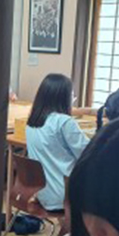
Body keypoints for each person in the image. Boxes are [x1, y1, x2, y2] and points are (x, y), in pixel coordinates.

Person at [25, 74, 90, 211]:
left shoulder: (32, 122)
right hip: (65, 195)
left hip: (41, 193)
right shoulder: (64, 122)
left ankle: (67, 229)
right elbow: (88, 155)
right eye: (72, 95)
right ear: (64, 97)